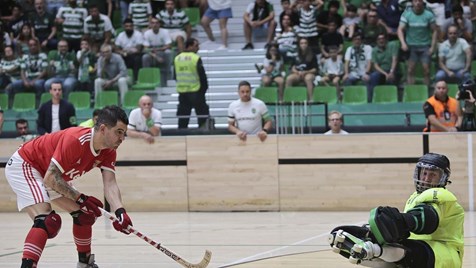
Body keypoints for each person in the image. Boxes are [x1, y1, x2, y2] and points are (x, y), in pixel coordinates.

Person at [4, 105, 133, 268]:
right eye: (119, 132)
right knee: (47, 221)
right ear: (103, 129)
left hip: (51, 174)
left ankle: (84, 263)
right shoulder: (76, 140)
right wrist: (80, 198)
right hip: (27, 165)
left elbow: (110, 183)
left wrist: (120, 212)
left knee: (84, 215)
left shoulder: (108, 151)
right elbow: (51, 178)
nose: (122, 138)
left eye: (124, 133)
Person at [329, 152, 464, 268]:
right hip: (424, 253)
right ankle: (373, 253)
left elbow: (426, 220)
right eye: (424, 173)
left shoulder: (443, 196)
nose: (426, 179)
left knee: (406, 248)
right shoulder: (414, 197)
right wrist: (374, 232)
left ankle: (374, 251)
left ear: (443, 178)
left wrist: (402, 221)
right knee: (396, 243)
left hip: (445, 255)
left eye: (433, 175)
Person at [397, 0, 438, 86]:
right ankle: (411, 90)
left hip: (425, 46)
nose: (418, 3)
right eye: (415, 1)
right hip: (411, 46)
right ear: (412, 3)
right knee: (410, 70)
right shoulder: (407, 14)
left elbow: (434, 31)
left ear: (422, 2)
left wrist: (432, 47)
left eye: (419, 1)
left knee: (426, 70)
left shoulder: (429, 15)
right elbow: (400, 30)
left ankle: (426, 90)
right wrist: (403, 43)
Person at [174, 38, 210, 129]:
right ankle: (203, 135)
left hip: (182, 92)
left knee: (183, 118)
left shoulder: (177, 58)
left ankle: (180, 137)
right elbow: (202, 76)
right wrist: (203, 90)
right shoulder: (195, 58)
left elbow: (175, 76)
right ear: (189, 46)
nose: (198, 48)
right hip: (196, 91)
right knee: (202, 117)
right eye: (196, 46)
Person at [11, 38, 48, 104]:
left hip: (39, 78)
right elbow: (22, 71)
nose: (33, 47)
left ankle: (39, 102)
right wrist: (25, 81)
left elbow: (44, 71)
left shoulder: (43, 56)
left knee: (37, 84)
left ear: (37, 46)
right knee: (15, 84)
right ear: (28, 47)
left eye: (34, 45)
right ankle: (21, 102)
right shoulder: (25, 57)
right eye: (31, 45)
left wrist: (34, 80)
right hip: (28, 78)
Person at [368, 32, 399, 103]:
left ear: (386, 40)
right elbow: (376, 65)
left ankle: (391, 100)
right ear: (376, 41)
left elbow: (395, 59)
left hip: (393, 69)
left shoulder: (392, 45)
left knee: (391, 78)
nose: (381, 41)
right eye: (379, 39)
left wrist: (391, 72)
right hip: (381, 71)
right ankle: (371, 100)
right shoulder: (374, 50)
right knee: (373, 76)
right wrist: (385, 74)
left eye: (382, 38)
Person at [141, 17, 172, 87]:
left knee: (168, 52)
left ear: (159, 24)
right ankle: (147, 80)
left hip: (162, 52)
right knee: (145, 57)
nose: (155, 25)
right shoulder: (147, 33)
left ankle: (168, 78)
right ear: (150, 25)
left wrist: (158, 50)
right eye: (153, 23)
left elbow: (168, 46)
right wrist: (156, 56)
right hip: (152, 54)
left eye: (157, 23)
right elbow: (146, 49)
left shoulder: (165, 32)